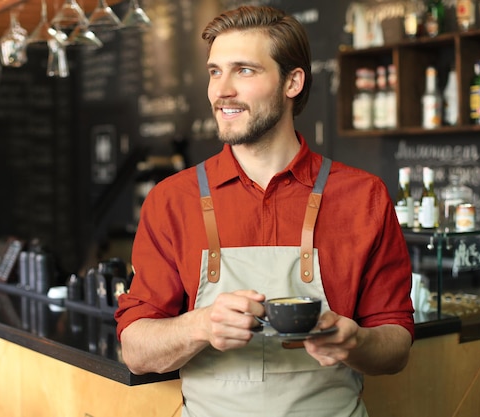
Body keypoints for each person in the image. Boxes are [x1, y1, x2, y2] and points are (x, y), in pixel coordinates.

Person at [115, 5, 414, 417]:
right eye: (215, 71)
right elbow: (135, 350)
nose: (221, 91)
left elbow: (396, 345)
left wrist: (356, 343)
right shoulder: (171, 200)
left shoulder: (364, 197)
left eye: (244, 71)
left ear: (292, 81)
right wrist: (200, 325)